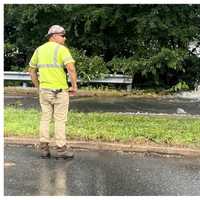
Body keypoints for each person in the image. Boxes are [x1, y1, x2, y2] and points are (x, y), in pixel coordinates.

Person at [28, 25, 78, 159]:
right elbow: (71, 69)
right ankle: (61, 150)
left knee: (45, 118)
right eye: (62, 35)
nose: (64, 38)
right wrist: (74, 86)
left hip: (44, 91)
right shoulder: (62, 50)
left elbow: (31, 70)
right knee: (60, 120)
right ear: (54, 36)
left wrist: (38, 86)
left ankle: (44, 148)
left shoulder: (39, 50)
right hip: (60, 91)